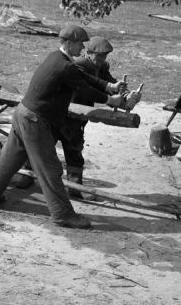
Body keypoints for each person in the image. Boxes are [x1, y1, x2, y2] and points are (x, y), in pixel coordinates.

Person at [0, 25, 126, 229]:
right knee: (50, 169)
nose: (83, 47)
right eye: (80, 43)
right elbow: (84, 87)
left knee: (8, 160)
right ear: (69, 43)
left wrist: (108, 86)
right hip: (35, 121)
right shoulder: (64, 66)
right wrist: (111, 99)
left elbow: (84, 77)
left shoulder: (57, 58)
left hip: (23, 114)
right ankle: (63, 214)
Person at [14, 36, 119, 200]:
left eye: (105, 56)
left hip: (78, 118)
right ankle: (27, 175)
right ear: (88, 53)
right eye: (99, 56)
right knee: (42, 146)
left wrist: (120, 90)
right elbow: (87, 88)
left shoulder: (102, 66)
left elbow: (106, 82)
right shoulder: (78, 65)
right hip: (62, 114)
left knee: (74, 150)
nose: (102, 60)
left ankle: (75, 187)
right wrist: (109, 99)